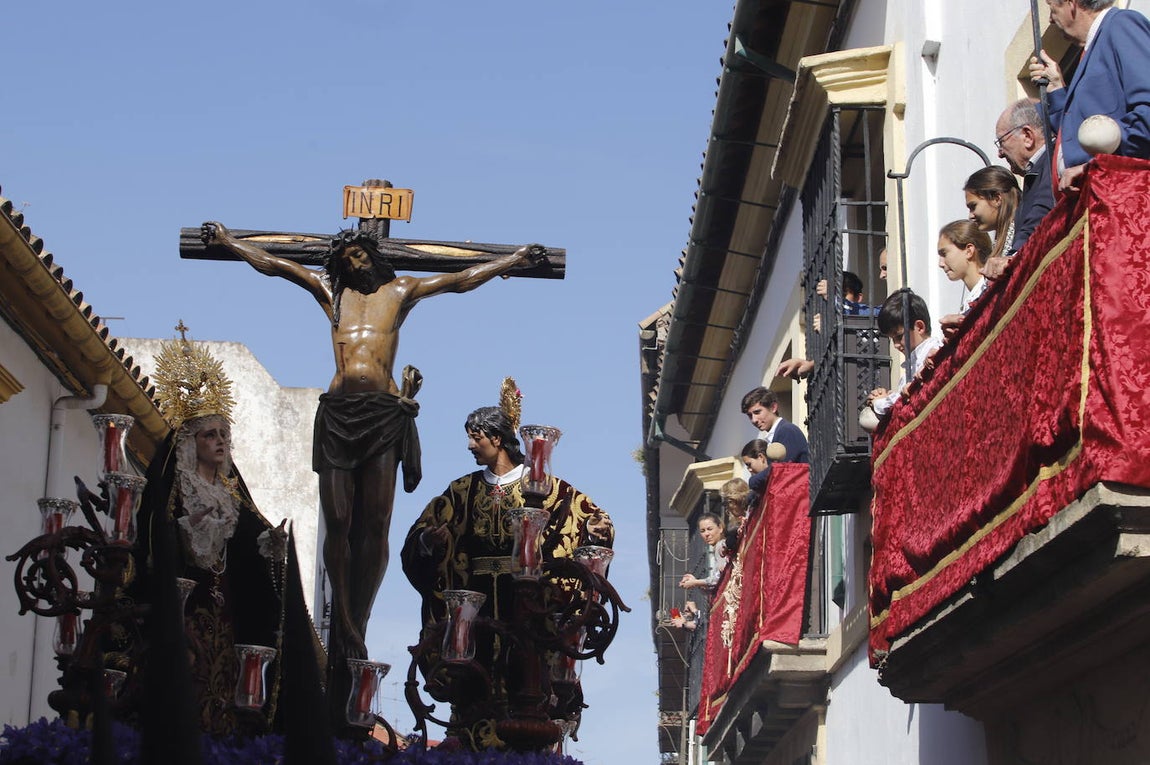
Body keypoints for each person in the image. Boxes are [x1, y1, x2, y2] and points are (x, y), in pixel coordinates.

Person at [200, 222, 546, 672]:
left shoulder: (399, 292)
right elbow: (279, 266)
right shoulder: (333, 296)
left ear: (374, 255)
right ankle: (342, 614)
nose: (355, 265)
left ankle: (357, 621)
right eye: (347, 260)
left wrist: (512, 261)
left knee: (376, 523)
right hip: (340, 413)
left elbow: (459, 280)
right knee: (339, 519)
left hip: (383, 414)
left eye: (361, 256)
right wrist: (229, 242)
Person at [400, 384, 613, 744]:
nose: (470, 446)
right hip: (475, 604)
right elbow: (421, 534)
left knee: (527, 684)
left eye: (475, 437)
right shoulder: (460, 491)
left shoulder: (546, 488)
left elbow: (591, 520)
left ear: (497, 439)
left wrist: (590, 546)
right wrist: (427, 542)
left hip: (525, 603)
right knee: (473, 686)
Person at [134, 332, 319, 740]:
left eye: (223, 434)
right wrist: (189, 528)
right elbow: (154, 541)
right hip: (185, 607)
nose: (220, 442)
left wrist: (268, 544)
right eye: (210, 435)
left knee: (227, 687)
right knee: (188, 679)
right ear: (189, 443)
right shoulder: (175, 488)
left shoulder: (233, 493)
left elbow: (252, 539)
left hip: (228, 609)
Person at [1029, 0, 1150, 193]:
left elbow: (1147, 115)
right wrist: (1057, 91)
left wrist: (1094, 166)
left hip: (1122, 197)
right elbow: (1080, 132)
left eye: (1052, 8)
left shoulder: (1121, 25)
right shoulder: (1092, 50)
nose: (1050, 20)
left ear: (1071, 3)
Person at [990, 99, 1055, 276]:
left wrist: (1014, 256)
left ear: (1027, 136)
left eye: (1001, 141)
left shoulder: (1052, 162)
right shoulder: (1034, 172)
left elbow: (1043, 212)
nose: (1000, 153)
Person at [865, 289, 944, 419]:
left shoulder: (933, 353)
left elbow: (913, 395)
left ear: (919, 327)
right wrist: (887, 396)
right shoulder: (913, 360)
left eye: (899, 336)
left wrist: (879, 402)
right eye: (892, 339)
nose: (896, 345)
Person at [936, 220, 993, 338]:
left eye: (944, 253)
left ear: (969, 251)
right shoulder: (972, 298)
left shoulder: (990, 291)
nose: (940, 263)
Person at [964, 166, 1021, 269]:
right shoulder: (1003, 240)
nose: (970, 216)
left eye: (973, 206)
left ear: (996, 199)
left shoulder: (1022, 237)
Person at [740, 387, 810, 463]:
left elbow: (782, 470)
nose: (754, 420)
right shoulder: (777, 433)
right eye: (750, 415)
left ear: (773, 407)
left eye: (757, 412)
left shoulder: (786, 431)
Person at [678, 512, 728, 592]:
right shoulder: (717, 548)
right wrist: (695, 582)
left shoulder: (721, 546)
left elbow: (719, 578)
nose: (706, 534)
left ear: (720, 528)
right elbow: (714, 587)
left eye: (709, 529)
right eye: (702, 531)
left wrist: (695, 582)